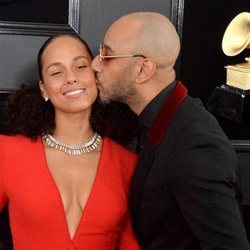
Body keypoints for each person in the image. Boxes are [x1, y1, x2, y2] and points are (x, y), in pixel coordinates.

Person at [91, 12, 250, 249]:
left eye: (107, 55)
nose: (95, 63)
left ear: (143, 70)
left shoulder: (196, 145)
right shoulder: (156, 119)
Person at [0, 33, 140, 249]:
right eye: (56, 72)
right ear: (44, 88)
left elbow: (130, 243)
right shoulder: (7, 153)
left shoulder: (127, 164)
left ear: (96, 76)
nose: (71, 77)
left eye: (81, 66)